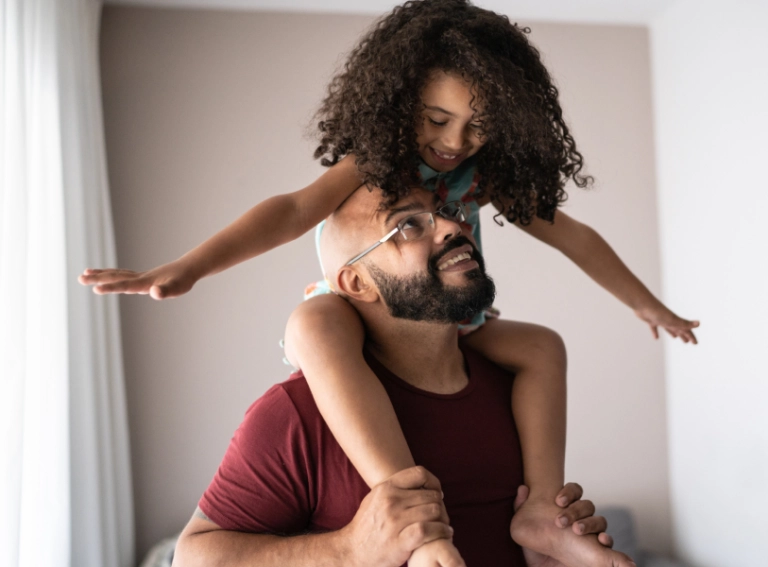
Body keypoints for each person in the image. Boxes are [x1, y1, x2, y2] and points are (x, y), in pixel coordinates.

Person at [80, 2, 697, 565]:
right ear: (402, 103)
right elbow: (292, 211)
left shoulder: (482, 180)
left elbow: (575, 237)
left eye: (477, 128)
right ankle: (406, 503)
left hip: (457, 321)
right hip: (350, 313)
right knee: (314, 323)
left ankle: (540, 511)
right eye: (437, 119)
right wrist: (189, 266)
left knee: (542, 345)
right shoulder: (375, 163)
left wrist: (650, 306)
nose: (454, 144)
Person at [172, 186, 635, 567]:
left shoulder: (517, 384)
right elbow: (192, 558)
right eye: (408, 224)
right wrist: (347, 550)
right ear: (356, 283)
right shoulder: (298, 413)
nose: (457, 227)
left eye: (447, 212)